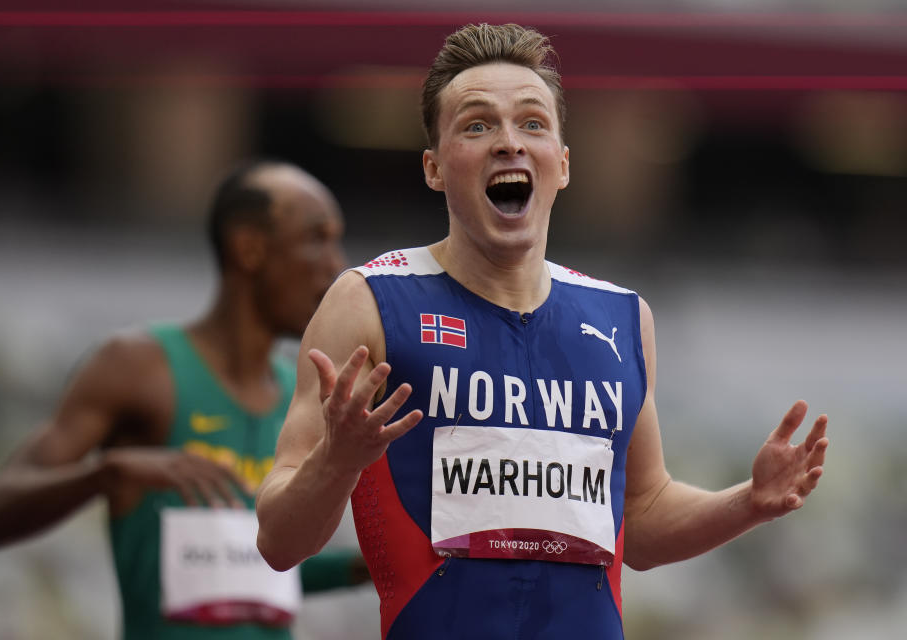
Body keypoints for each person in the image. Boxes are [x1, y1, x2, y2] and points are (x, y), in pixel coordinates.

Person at [254, 24, 830, 640]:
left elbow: (643, 515)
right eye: (477, 126)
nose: (509, 143)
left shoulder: (622, 318)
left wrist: (748, 501)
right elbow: (279, 542)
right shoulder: (370, 301)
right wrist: (335, 462)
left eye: (532, 124)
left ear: (562, 164)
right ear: (434, 167)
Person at [0, 160, 367, 639]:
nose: (336, 264)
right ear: (249, 248)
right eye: (316, 238)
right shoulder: (138, 367)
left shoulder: (300, 394)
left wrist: (372, 563)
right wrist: (109, 472)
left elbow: (255, 569)